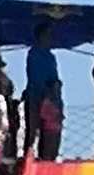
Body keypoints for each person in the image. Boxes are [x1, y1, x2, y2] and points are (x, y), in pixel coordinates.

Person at [24, 20, 60, 155]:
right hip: (35, 96)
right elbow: (35, 75)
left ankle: (47, 156)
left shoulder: (51, 57)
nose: (50, 38)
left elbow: (54, 75)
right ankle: (29, 155)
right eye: (48, 35)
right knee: (32, 130)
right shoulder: (33, 54)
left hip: (51, 98)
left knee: (50, 131)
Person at [37, 78, 64, 162]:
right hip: (48, 129)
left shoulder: (59, 101)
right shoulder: (47, 101)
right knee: (47, 152)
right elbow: (43, 114)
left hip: (57, 128)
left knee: (54, 151)